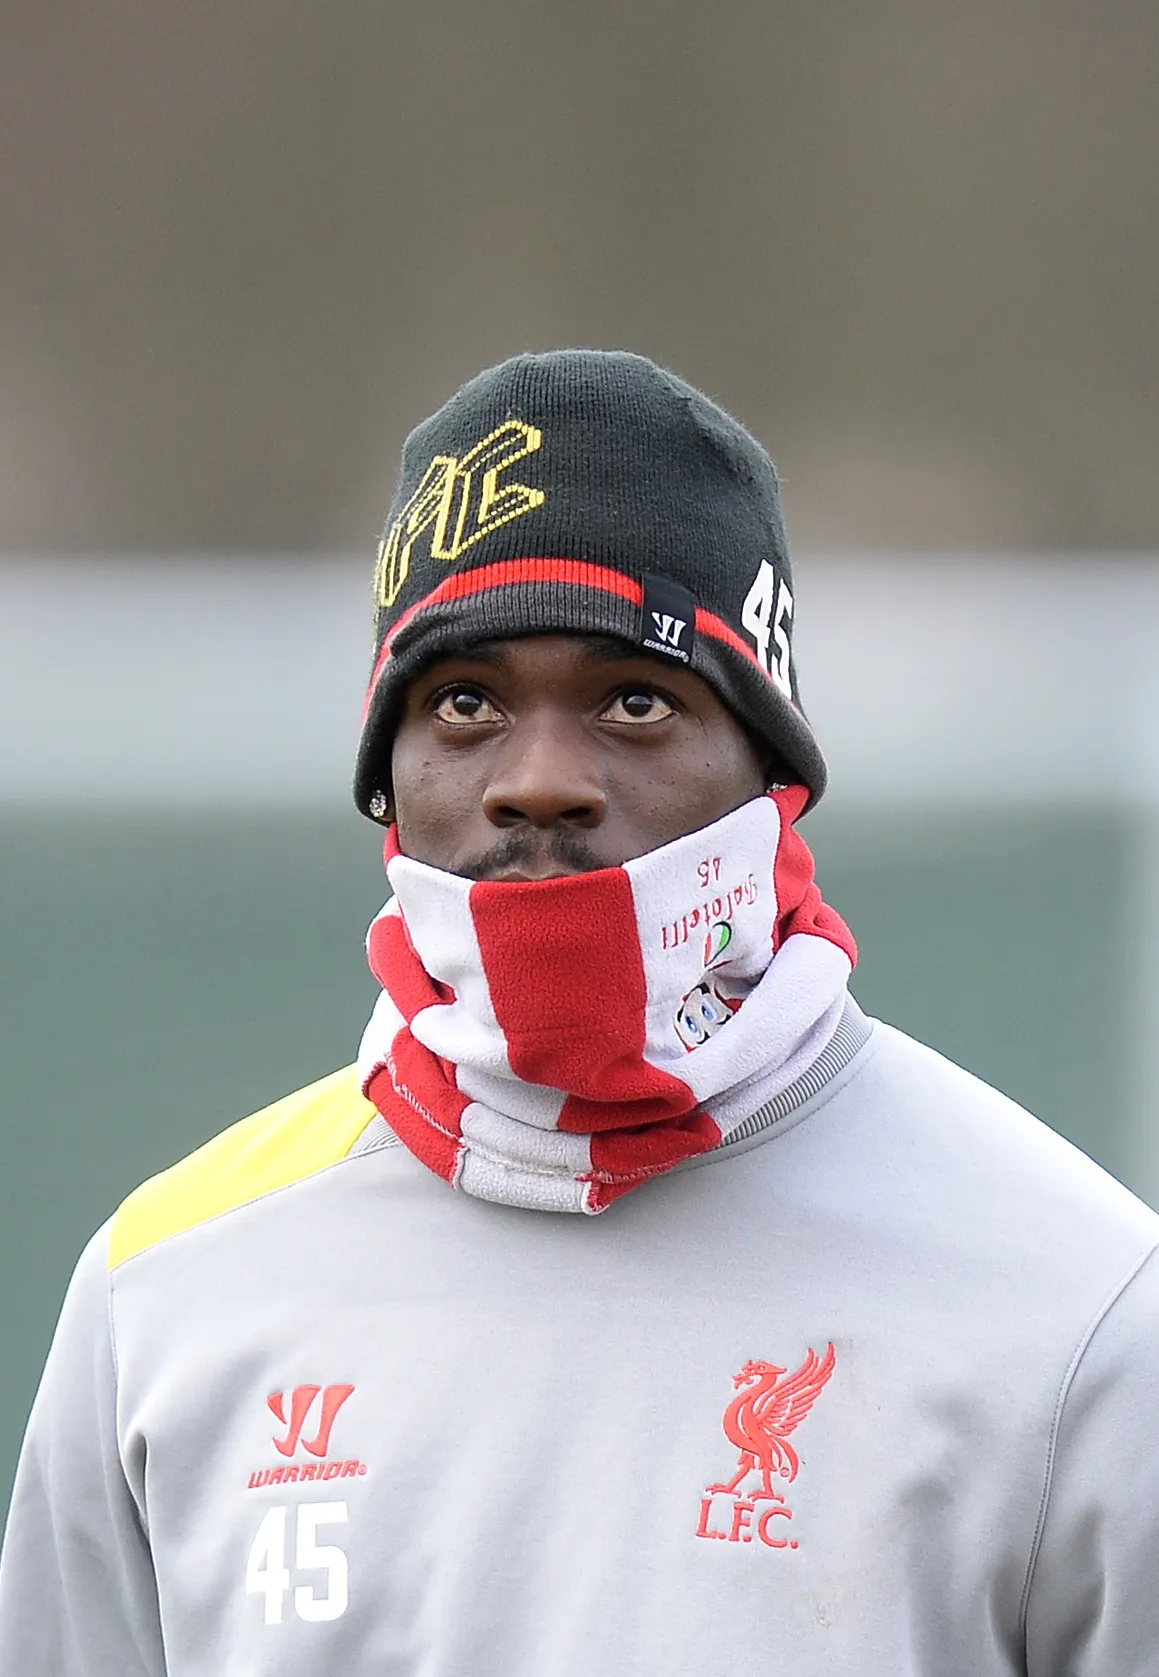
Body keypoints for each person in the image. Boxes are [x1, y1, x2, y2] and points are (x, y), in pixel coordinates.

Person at [2, 351, 1157, 1676]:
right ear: (390, 774)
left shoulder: (1081, 1305)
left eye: (635, 699)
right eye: (465, 702)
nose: (538, 781)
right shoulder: (164, 1287)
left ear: (768, 768)